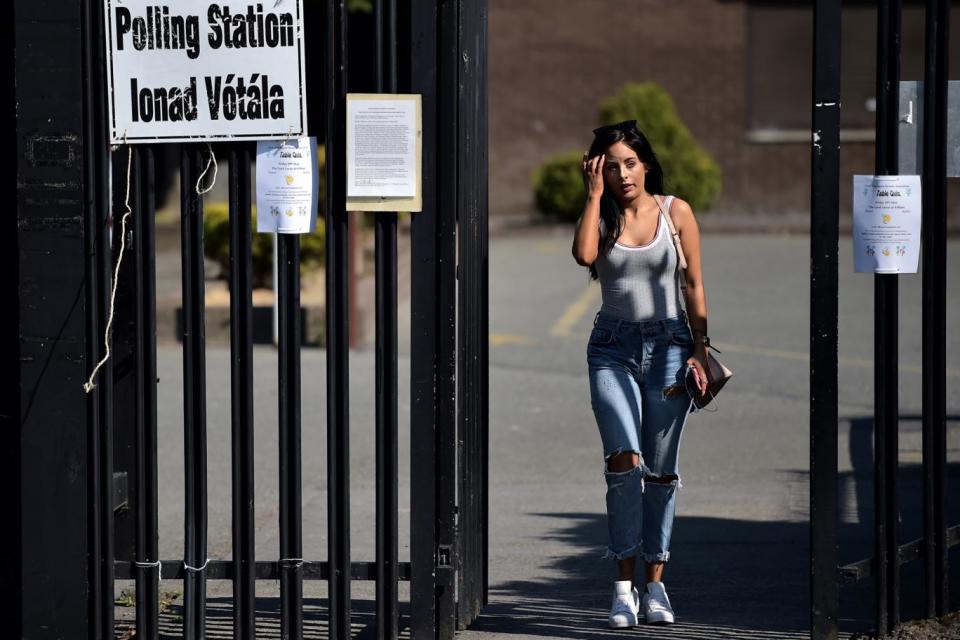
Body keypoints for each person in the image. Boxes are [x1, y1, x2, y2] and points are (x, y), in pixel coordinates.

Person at [571, 120, 711, 627]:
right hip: (611, 348)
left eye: (630, 163)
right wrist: (592, 195)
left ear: (646, 164)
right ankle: (622, 588)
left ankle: (656, 587)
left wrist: (700, 347)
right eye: (611, 166)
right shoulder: (602, 216)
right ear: (598, 171)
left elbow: (693, 283)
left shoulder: (677, 213)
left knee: (661, 470)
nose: (623, 173)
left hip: (672, 347)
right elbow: (585, 255)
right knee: (625, 462)